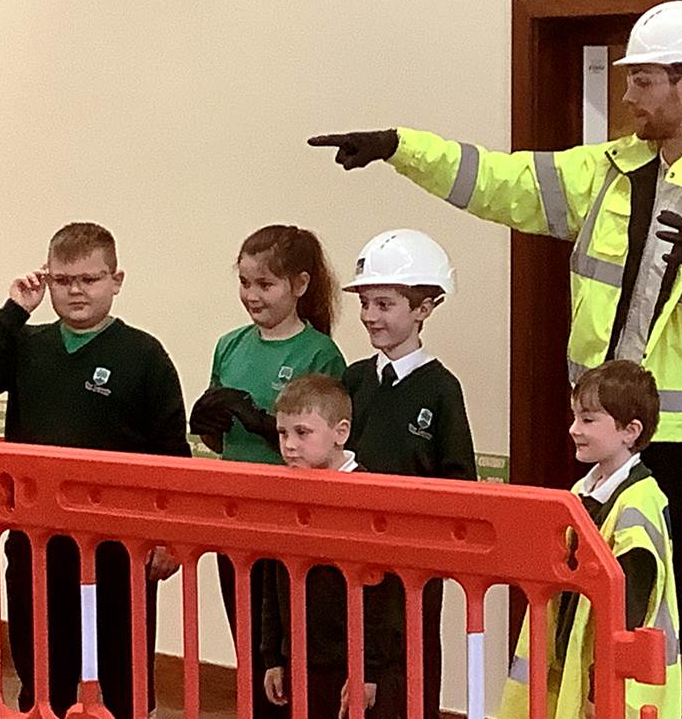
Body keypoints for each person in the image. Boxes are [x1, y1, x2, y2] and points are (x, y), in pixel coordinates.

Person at [309, 0, 682, 717]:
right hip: (595, 442)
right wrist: (401, 147)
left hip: (681, 447)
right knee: (579, 600)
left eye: (642, 80)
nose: (627, 95)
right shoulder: (608, 174)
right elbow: (501, 181)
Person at [0, 221, 190, 718]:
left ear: (116, 280)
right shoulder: (26, 344)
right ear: (47, 280)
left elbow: (171, 455)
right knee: (41, 667)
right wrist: (14, 309)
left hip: (118, 548)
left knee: (122, 671)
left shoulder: (144, 356)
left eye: (90, 278)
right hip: (36, 543)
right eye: (63, 280)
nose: (76, 291)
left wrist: (170, 538)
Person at [187, 224, 346, 719]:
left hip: (288, 518)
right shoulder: (229, 346)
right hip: (235, 513)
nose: (252, 296)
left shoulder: (319, 353)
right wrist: (209, 423)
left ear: (299, 285)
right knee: (248, 640)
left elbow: (317, 446)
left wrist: (260, 420)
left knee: (285, 644)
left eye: (265, 285)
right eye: (245, 284)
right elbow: (221, 440)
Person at [340, 228, 476, 719]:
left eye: (384, 304)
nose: (370, 316)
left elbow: (460, 480)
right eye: (366, 304)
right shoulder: (354, 380)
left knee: (408, 678)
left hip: (412, 571)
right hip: (351, 556)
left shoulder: (441, 389)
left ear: (424, 308)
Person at [499, 360, 680, 719]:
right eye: (575, 417)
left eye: (588, 420)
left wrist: (602, 687)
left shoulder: (639, 504)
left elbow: (630, 608)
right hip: (572, 678)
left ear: (630, 430)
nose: (574, 429)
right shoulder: (581, 493)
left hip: (622, 690)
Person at [260, 373, 404, 719]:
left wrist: (368, 669)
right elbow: (272, 577)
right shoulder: (285, 494)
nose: (289, 445)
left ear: (341, 433)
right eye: (282, 433)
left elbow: (384, 596)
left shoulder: (367, 497)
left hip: (356, 663)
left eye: (302, 433)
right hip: (301, 657)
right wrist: (273, 657)